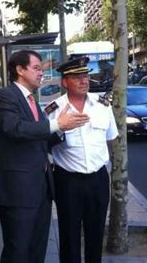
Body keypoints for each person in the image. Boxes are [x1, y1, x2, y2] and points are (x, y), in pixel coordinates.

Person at [0, 50, 90, 263]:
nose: (41, 73)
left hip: (41, 189)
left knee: (37, 249)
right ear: (20, 70)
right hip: (17, 192)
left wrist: (62, 129)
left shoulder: (31, 100)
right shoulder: (6, 96)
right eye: (36, 68)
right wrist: (56, 124)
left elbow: (39, 139)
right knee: (18, 251)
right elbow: (14, 129)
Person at [45, 57, 118, 263]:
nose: (84, 81)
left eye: (85, 76)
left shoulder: (102, 106)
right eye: (77, 77)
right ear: (64, 82)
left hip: (98, 179)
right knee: (69, 235)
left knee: (96, 234)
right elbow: (44, 144)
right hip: (68, 182)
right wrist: (61, 127)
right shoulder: (54, 110)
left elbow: (111, 138)